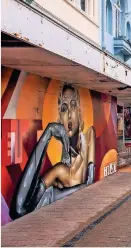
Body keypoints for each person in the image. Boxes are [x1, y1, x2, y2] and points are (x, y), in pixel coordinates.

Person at [10, 84, 96, 219]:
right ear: (60, 118)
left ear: (79, 111)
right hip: (58, 210)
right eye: (64, 108)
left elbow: (89, 183)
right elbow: (18, 209)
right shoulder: (60, 166)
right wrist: (48, 133)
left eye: (73, 106)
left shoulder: (89, 135)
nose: (69, 114)